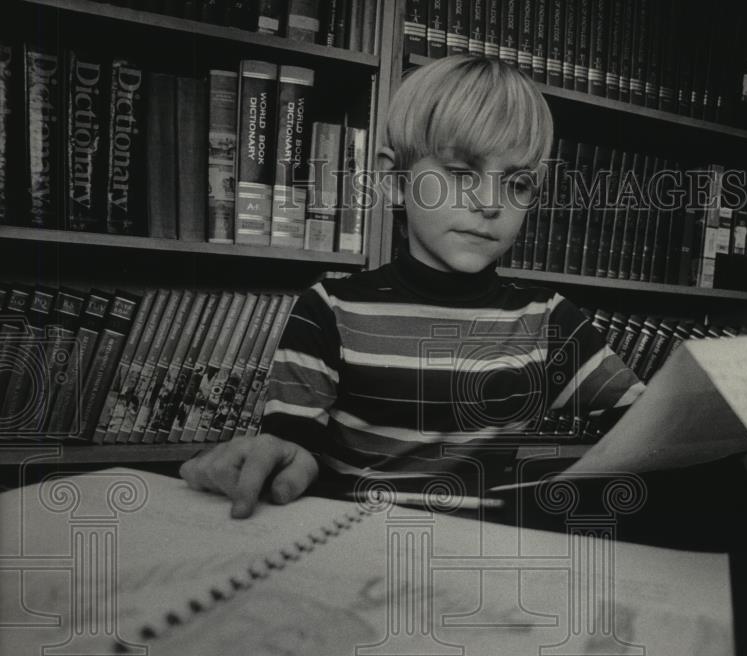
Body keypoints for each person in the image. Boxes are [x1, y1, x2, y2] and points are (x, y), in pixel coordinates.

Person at [181, 54, 645, 518]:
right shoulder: (329, 309)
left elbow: (652, 423)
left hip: (479, 556)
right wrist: (282, 456)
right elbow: (292, 446)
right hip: (353, 548)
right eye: (462, 173)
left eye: (518, 184)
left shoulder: (548, 319)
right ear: (395, 181)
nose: (490, 203)